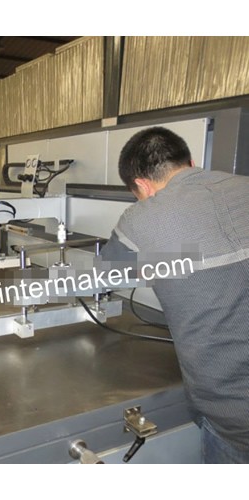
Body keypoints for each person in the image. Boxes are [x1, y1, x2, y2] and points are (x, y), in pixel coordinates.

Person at [101, 126, 249, 464]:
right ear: (191, 163)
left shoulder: (141, 217)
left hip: (235, 417)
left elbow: (105, 274)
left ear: (141, 185)